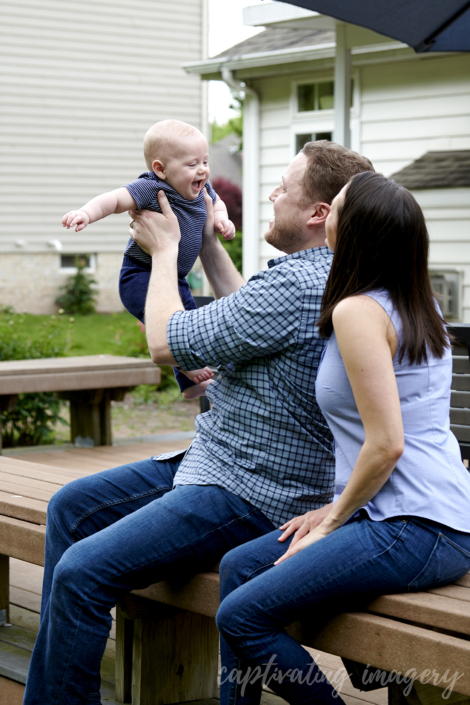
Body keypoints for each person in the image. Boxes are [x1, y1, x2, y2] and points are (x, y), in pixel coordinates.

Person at [23, 141, 373, 705]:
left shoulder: (298, 286)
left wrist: (165, 253)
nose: (272, 195)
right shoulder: (321, 275)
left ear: (318, 214)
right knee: (71, 507)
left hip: (250, 491)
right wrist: (207, 242)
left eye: (284, 188)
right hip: (219, 461)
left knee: (81, 573)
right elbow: (246, 314)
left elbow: (165, 342)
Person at [215, 171, 470, 705]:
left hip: (412, 525)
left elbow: (387, 444)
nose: (324, 215)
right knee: (239, 566)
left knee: (241, 617)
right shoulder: (417, 301)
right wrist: (337, 510)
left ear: (353, 232)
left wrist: (331, 522)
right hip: (432, 517)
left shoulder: (358, 311)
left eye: (336, 210)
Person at [62, 119, 236, 398]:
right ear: (160, 169)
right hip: (141, 274)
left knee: (186, 321)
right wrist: (86, 213)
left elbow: (218, 204)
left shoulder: (202, 189)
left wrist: (222, 220)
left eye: (205, 161)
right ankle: (188, 365)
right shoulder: (151, 188)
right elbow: (115, 200)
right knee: (171, 327)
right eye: (192, 164)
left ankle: (191, 386)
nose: (203, 169)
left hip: (174, 278)